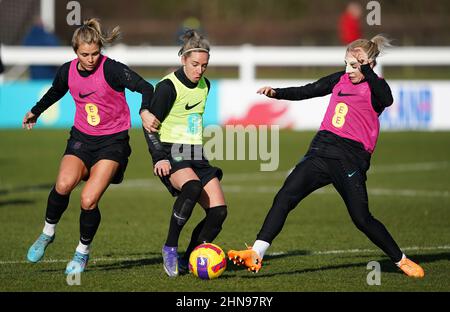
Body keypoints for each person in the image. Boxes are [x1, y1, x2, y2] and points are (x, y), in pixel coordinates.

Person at [228, 35, 425, 278]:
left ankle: (400, 260)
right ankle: (257, 252)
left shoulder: (377, 88)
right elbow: (308, 90)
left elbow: (387, 99)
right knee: (285, 196)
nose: (349, 70)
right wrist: (277, 93)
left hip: (349, 159)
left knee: (361, 219)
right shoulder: (340, 79)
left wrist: (367, 71)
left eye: (355, 65)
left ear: (370, 65)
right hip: (320, 151)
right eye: (346, 63)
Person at [23, 18, 155, 274]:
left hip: (113, 142)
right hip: (82, 138)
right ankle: (47, 233)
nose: (91, 59)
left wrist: (145, 110)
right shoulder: (67, 70)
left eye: (95, 53)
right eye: (85, 54)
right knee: (62, 185)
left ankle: (82, 252)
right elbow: (55, 91)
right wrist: (35, 112)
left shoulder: (112, 69)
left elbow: (145, 87)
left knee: (88, 199)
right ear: (75, 52)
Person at [140, 30, 227, 277]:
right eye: (195, 64)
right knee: (191, 188)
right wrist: (159, 157)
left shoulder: (205, 85)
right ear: (183, 59)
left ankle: (189, 258)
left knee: (219, 212)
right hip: (170, 150)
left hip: (196, 152)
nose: (199, 70)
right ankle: (169, 247)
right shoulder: (167, 87)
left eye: (204, 65)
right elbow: (149, 127)